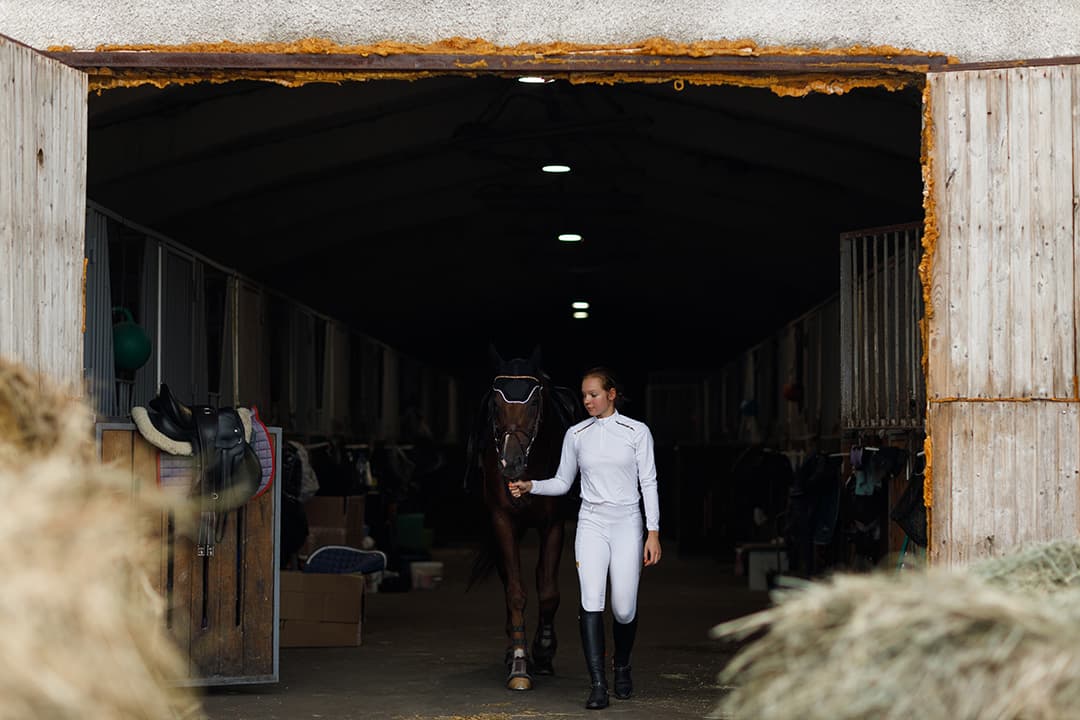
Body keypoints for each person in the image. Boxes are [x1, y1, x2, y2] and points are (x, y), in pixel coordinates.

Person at [509, 367, 661, 710]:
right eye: (584, 396)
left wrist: (653, 532)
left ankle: (622, 665)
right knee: (592, 601)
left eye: (593, 394)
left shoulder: (637, 432)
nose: (587, 401)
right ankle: (598, 685)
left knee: (624, 608)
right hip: (592, 523)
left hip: (627, 522)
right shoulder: (576, 434)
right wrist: (531, 485)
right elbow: (563, 482)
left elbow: (649, 482)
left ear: (611, 394)